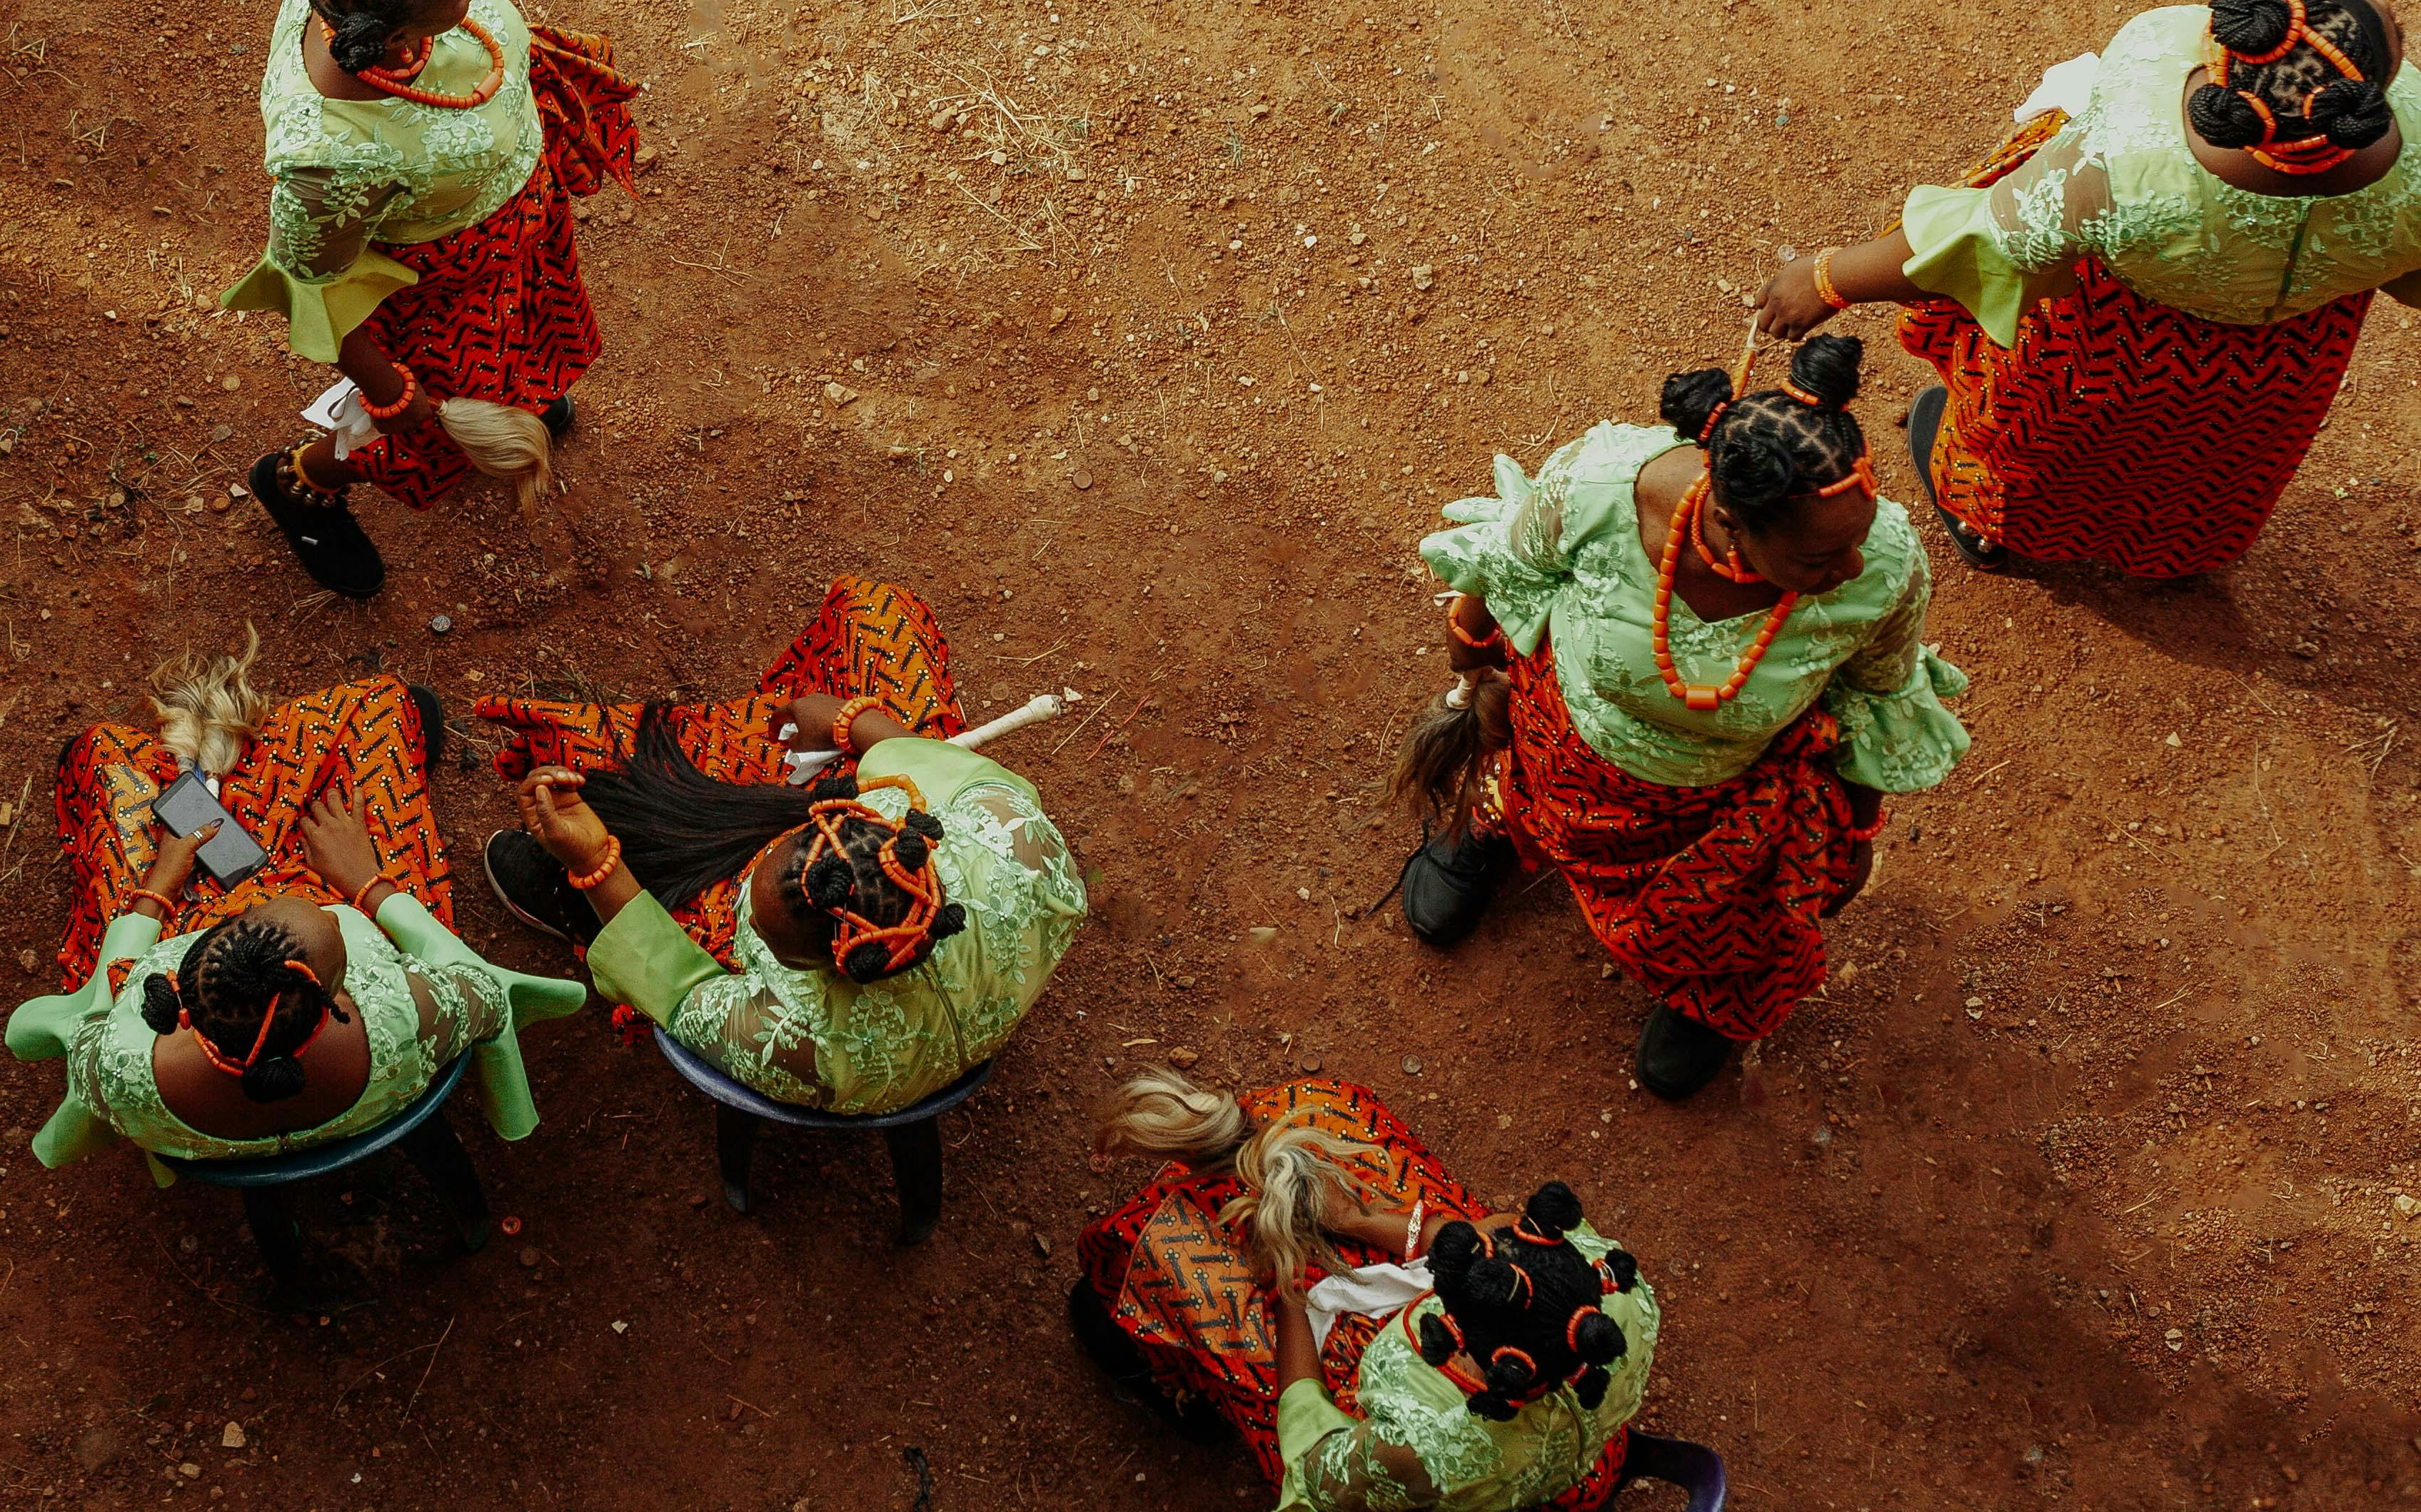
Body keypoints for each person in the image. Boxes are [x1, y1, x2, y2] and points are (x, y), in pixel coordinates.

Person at [1393, 336, 1970, 1100]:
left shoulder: (1885, 564)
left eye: (1860, 539)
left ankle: (1708, 1000)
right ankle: (1498, 823)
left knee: (1730, 932)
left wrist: (1857, 836)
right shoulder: (1598, 488)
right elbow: (1505, 568)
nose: (1852, 570)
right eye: (1819, 562)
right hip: (1557, 743)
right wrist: (1469, 666)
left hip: (1719, 816)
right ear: (1733, 526)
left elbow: (1873, 704)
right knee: (1524, 789)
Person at [1758, 0, 2421, 580]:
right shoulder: (2414, 162)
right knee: (2212, 463)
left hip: (2111, 341)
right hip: (2285, 360)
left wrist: (1827, 278)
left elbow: (1984, 238)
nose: (2389, 7)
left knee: (2050, 446)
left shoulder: (2134, 145)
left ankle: (1987, 529)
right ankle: (2179, 555)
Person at [477, 577, 1082, 1114]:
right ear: (881, 829)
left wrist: (592, 859)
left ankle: (565, 898)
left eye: (762, 930)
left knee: (602, 795)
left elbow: (682, 990)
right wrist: (846, 719)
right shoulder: (1018, 848)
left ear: (825, 969)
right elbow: (957, 771)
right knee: (875, 609)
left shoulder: (797, 1042)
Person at [225, 0, 640, 598]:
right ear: (383, 40)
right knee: (419, 431)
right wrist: (386, 390)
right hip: (437, 293)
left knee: (528, 344)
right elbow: (308, 280)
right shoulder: (335, 158)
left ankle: (520, 386)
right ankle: (302, 482)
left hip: (511, 241)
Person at [19, 645, 575, 1168]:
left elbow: (94, 1012)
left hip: (173, 916)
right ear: (337, 997)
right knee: (379, 705)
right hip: (359, 885)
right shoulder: (408, 1012)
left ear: (181, 988)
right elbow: (484, 993)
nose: (266, 888)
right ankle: (271, 781)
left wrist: (160, 885)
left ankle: (208, 786)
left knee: (100, 754)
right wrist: (366, 884)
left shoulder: (122, 1069)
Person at [1074, 1066, 1659, 1511]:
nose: (1477, 1243)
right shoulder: (1624, 1296)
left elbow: (1309, 1463)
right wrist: (1358, 1223)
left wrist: (1290, 1292)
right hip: (1590, 1470)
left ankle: (1173, 1386)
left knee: (1206, 1309)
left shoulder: (1418, 1450)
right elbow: (1498, 1231)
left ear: (1458, 1348)